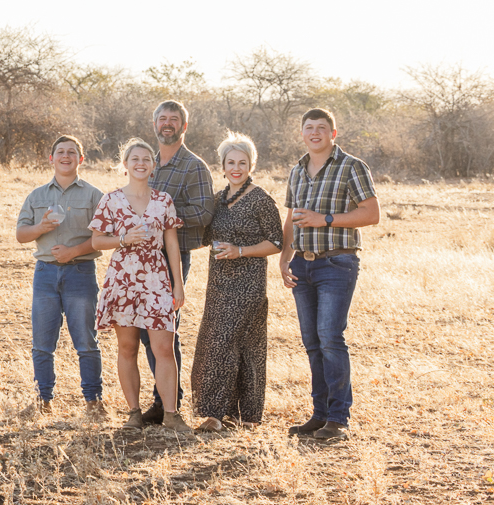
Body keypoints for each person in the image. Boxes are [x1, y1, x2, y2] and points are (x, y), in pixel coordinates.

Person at [280, 108, 380, 443]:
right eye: (309, 128)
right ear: (302, 133)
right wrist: (284, 258)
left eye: (322, 128)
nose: (315, 133)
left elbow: (371, 214)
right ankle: (320, 414)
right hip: (302, 264)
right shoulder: (297, 170)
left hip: (336, 263)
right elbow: (292, 217)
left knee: (330, 337)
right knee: (312, 342)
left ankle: (338, 419)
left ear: (333, 134)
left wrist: (325, 219)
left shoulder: (351, 166)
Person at [90, 138, 190, 432]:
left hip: (157, 279)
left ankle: (171, 414)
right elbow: (96, 240)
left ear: (153, 165)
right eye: (135, 159)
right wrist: (123, 240)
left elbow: (172, 245)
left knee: (164, 347)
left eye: (146, 159)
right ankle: (133, 413)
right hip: (122, 279)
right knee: (127, 346)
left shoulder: (163, 201)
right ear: (125, 165)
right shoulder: (110, 200)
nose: (141, 163)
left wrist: (178, 284)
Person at [189, 133, 285, 430]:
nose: (236, 167)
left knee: (235, 344)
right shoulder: (217, 200)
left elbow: (277, 242)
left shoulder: (260, 199)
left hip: (249, 284)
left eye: (242, 162)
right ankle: (226, 414)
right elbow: (202, 238)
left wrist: (240, 251)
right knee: (218, 343)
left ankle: (236, 416)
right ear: (223, 165)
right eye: (231, 162)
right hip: (218, 285)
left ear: (251, 164)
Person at [130, 100, 216, 424]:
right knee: (143, 332)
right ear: (155, 125)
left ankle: (169, 405)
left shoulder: (194, 166)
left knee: (164, 330)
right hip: (140, 258)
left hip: (172, 256)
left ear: (184, 125)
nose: (168, 123)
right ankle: (162, 398)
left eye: (174, 119)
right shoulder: (147, 163)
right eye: (162, 119)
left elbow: (205, 212)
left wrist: (164, 216)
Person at [14, 135, 105, 417]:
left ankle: (93, 401)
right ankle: (43, 400)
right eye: (60, 152)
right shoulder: (37, 196)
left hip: (80, 272)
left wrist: (73, 251)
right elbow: (20, 235)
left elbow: (102, 238)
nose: (66, 156)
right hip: (45, 274)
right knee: (42, 342)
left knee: (86, 341)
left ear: (81, 159)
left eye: (72, 152)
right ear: (51, 158)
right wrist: (41, 226)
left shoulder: (94, 195)